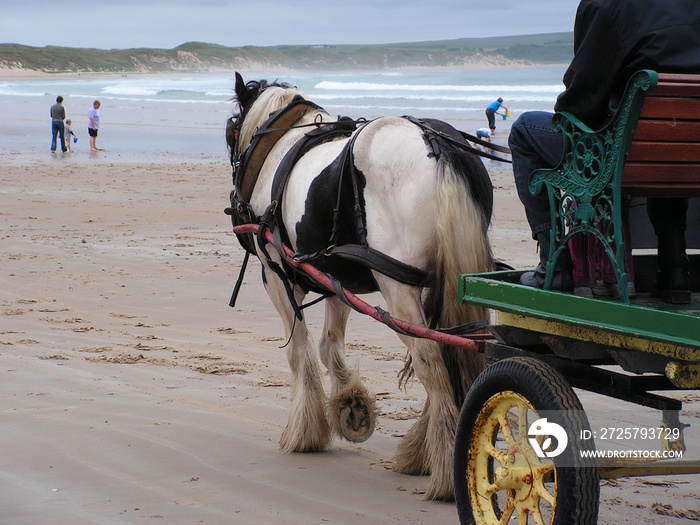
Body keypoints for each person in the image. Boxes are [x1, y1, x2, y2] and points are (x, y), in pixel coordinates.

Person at [509, 0, 700, 303]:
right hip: (689, 158)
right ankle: (675, 269)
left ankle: (554, 267)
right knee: (668, 148)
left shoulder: (607, 5)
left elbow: (581, 100)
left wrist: (570, 110)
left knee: (523, 130)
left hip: (622, 155)